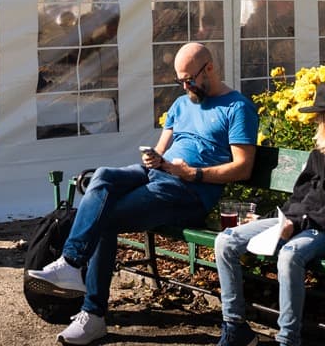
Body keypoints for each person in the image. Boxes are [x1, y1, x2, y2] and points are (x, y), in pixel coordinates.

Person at [28, 43, 259, 345]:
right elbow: (161, 149)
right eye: (180, 80)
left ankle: (93, 314)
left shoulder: (236, 108)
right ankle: (71, 264)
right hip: (159, 174)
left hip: (188, 191)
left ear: (210, 69)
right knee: (102, 176)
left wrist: (193, 173)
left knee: (106, 217)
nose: (185, 85)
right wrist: (154, 157)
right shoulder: (181, 104)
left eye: (190, 79)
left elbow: (243, 167)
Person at [212, 78, 325, 346]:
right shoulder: (322, 149)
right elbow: (301, 193)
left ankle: (287, 340)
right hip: (298, 221)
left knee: (289, 255)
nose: (317, 121)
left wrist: (298, 223)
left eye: (321, 116)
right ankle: (234, 326)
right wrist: (278, 218)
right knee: (226, 240)